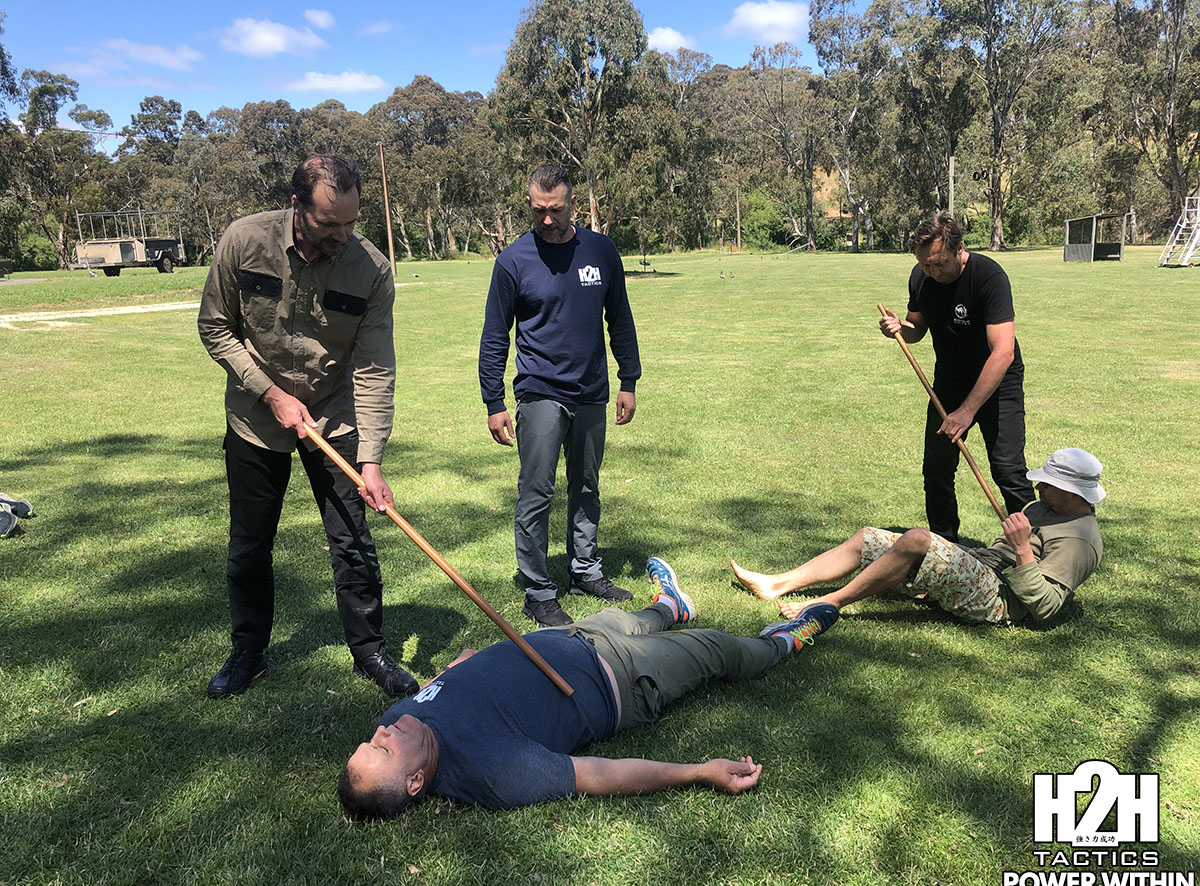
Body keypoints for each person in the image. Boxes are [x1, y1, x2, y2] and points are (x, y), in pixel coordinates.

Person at [337, 557, 838, 818]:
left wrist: (459, 668)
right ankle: (783, 642)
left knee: (633, 618)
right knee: (717, 649)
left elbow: (442, 688)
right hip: (621, 678)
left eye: (369, 741)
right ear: (416, 783)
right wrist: (698, 772)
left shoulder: (398, 721)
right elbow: (597, 775)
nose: (381, 733)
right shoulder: (492, 774)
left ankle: (671, 606)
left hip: (565, 639)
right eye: (383, 750)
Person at [197, 155, 417, 700]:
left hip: (333, 415)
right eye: (329, 224)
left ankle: (370, 651)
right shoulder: (244, 241)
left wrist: (371, 460)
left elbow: (374, 367)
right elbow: (215, 327)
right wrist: (270, 394)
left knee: (353, 540)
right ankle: (248, 651)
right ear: (297, 205)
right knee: (250, 544)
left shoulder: (370, 268)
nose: (343, 235)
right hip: (255, 418)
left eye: (351, 222)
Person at [478, 164, 642, 627]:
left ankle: (585, 570)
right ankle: (538, 591)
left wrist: (629, 380)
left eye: (555, 209)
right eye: (538, 211)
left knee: (586, 484)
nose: (547, 219)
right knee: (537, 491)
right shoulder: (513, 261)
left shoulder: (601, 250)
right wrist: (494, 402)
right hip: (540, 390)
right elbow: (495, 336)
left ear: (573, 204)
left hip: (591, 389)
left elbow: (620, 318)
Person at [731, 448, 1105, 631]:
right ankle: (778, 583)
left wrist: (1023, 550)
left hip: (997, 601)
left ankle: (829, 603)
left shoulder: (1080, 540)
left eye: (1047, 484)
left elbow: (1046, 608)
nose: (1038, 488)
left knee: (917, 541)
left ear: (1073, 492)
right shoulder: (1045, 507)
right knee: (868, 537)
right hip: (980, 570)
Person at [879, 211, 1034, 542]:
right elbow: (916, 326)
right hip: (949, 382)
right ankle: (944, 547)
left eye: (940, 263)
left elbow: (1003, 352)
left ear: (959, 248)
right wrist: (899, 328)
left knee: (1007, 470)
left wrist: (967, 411)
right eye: (926, 265)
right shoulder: (921, 278)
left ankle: (1038, 548)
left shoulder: (988, 276)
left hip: (998, 383)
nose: (933, 272)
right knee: (937, 468)